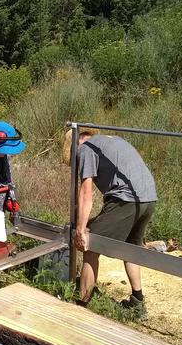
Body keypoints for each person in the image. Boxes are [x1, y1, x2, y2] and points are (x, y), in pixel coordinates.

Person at [63, 129, 157, 319]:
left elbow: (86, 192)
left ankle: (81, 306)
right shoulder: (112, 141)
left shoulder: (86, 149)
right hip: (149, 199)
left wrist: (81, 230)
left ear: (76, 143)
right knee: (131, 248)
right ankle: (138, 303)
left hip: (126, 200)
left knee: (90, 246)